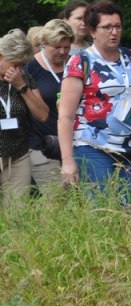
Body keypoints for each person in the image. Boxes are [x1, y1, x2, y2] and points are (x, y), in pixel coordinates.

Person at [58, 1, 131, 202]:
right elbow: (66, 116)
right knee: (102, 208)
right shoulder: (81, 61)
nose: (114, 32)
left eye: (117, 26)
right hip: (93, 145)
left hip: (130, 145)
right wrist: (67, 161)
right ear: (93, 31)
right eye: (107, 27)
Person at [0, 30, 50, 203]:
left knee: (17, 212)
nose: (19, 70)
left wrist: (21, 86)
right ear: (1, 56)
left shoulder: (23, 78)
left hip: (17, 156)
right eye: (15, 64)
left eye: (22, 65)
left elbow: (43, 115)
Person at [24, 20, 75, 189]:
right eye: (57, 47)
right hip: (44, 146)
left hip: (77, 143)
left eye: (66, 47)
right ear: (44, 43)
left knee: (81, 198)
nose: (62, 52)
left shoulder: (75, 64)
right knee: (55, 199)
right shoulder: (30, 68)